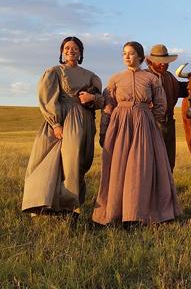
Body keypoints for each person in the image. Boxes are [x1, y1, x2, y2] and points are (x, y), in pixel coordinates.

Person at [92, 41, 181, 225]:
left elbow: (161, 104)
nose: (127, 56)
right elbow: (109, 106)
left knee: (140, 167)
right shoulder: (115, 79)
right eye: (124, 53)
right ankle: (116, 212)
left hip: (144, 125)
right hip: (120, 126)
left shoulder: (151, 79)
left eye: (131, 53)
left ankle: (137, 214)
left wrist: (147, 118)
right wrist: (105, 131)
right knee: (118, 168)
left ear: (140, 57)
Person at [22, 36, 104, 216]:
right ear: (61, 51)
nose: (70, 51)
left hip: (85, 121)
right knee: (55, 160)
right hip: (62, 120)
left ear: (81, 52)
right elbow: (48, 99)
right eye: (66, 48)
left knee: (80, 162)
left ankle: (73, 203)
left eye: (75, 48)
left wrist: (92, 99)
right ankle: (47, 203)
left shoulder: (91, 76)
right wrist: (56, 123)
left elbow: (100, 101)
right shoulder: (54, 72)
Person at [145, 43, 188, 170]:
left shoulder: (170, 77)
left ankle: (166, 189)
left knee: (169, 163)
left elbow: (184, 89)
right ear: (150, 61)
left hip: (169, 123)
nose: (163, 64)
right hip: (150, 124)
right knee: (151, 162)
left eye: (166, 61)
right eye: (159, 61)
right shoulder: (144, 77)